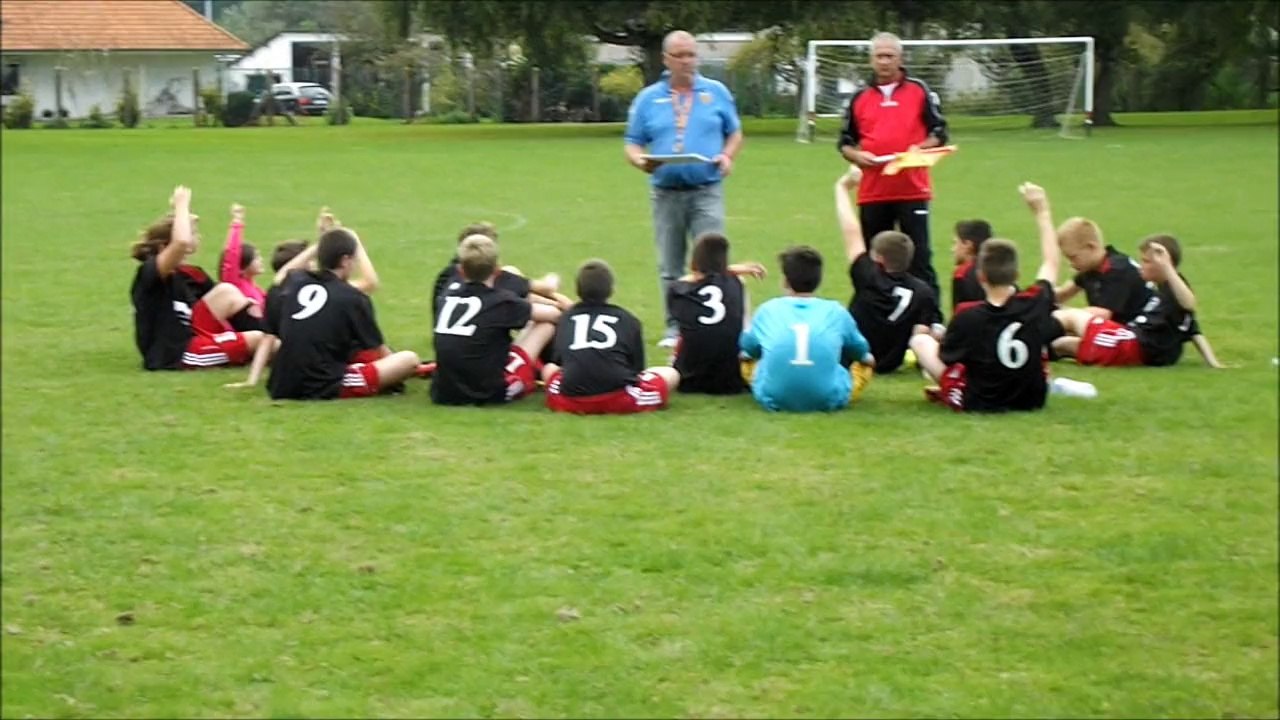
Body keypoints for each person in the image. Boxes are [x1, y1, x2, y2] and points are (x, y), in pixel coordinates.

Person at [624, 29, 744, 348]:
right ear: (666, 60)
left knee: (714, 259)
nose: (688, 61)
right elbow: (632, 142)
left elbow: (734, 133)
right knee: (670, 263)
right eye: (680, 55)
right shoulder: (648, 98)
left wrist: (727, 156)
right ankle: (674, 328)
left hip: (707, 188)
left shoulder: (716, 92)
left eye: (692, 54)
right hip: (666, 192)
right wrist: (640, 162)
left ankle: (718, 323)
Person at [908, 182, 1061, 412]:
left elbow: (948, 358)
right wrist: (1042, 211)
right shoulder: (1034, 301)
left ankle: (947, 390)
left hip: (982, 400)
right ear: (1016, 275)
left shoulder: (968, 314)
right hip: (1031, 399)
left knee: (920, 342)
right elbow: (1051, 262)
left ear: (980, 276)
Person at [837, 31, 949, 302]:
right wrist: (857, 156)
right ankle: (875, 313)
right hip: (874, 191)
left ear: (900, 58)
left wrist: (920, 148)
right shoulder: (859, 98)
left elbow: (940, 132)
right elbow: (845, 142)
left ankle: (930, 317)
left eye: (889, 56)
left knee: (919, 256)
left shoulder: (918, 91)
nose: (884, 61)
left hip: (912, 188)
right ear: (871, 59)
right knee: (873, 259)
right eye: (879, 56)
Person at [267, 227, 419, 400]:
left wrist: (321, 244)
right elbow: (379, 349)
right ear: (346, 260)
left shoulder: (297, 282)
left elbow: (280, 275)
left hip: (281, 382)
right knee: (408, 359)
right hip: (322, 384)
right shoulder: (352, 297)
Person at [129, 185, 264, 370]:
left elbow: (225, 303)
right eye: (193, 233)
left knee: (227, 292)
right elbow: (181, 242)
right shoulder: (150, 274)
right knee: (257, 340)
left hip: (194, 335)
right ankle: (272, 346)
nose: (196, 237)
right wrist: (181, 205)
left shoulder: (190, 275)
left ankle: (271, 337)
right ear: (163, 247)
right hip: (178, 353)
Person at [1051, 235, 1227, 368]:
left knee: (1069, 324)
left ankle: (1031, 345)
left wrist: (1167, 267)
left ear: (1163, 263)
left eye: (1146, 261)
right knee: (1062, 340)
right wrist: (1213, 362)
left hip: (1132, 345)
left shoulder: (1174, 288)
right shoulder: (1164, 293)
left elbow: (1189, 303)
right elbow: (1193, 328)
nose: (1140, 265)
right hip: (1130, 340)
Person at [739, 245, 875, 413]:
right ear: (819, 281)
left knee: (747, 359)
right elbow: (860, 351)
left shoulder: (768, 309)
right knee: (864, 361)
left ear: (785, 281)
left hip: (772, 398)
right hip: (829, 399)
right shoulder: (836, 311)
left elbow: (748, 348)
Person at [834, 166, 944, 374]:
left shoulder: (868, 276)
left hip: (857, 358)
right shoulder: (923, 292)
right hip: (890, 364)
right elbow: (919, 333)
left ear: (880, 259)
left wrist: (842, 188)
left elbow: (851, 231)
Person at [431, 235, 562, 405]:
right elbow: (554, 314)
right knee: (545, 324)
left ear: (461, 270)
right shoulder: (500, 301)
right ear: (498, 270)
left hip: (443, 392)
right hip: (488, 392)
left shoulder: (445, 297)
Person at [542, 260, 682, 414]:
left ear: (578, 290)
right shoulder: (628, 319)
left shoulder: (566, 319)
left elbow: (558, 361)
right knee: (671, 374)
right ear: (611, 290)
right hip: (619, 399)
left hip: (571, 400)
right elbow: (636, 370)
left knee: (549, 369)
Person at [667, 231, 766, 395]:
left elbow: (689, 280)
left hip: (687, 379)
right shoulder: (738, 283)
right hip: (729, 379)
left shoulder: (678, 290)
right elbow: (745, 330)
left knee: (684, 335)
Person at [1053, 217, 1151, 324]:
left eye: (1073, 257)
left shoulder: (1117, 270)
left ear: (1091, 247)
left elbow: (1102, 314)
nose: (1070, 263)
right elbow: (1065, 292)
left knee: (1065, 339)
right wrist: (1039, 300)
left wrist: (1061, 313)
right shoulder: (1091, 267)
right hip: (1128, 329)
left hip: (1146, 328)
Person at [218, 203, 267, 321]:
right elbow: (232, 254)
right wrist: (237, 222)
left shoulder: (256, 289)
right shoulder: (234, 284)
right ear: (241, 267)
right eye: (256, 257)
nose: (261, 260)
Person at [950, 219, 994, 310]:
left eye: (955, 243)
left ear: (968, 245)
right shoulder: (1002, 268)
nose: (952, 249)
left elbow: (959, 313)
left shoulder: (962, 274)